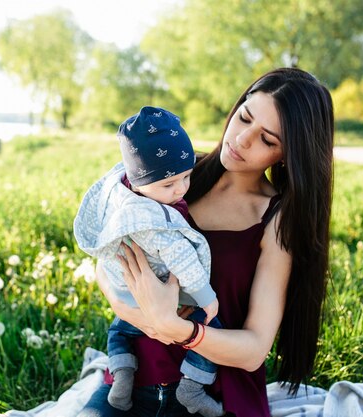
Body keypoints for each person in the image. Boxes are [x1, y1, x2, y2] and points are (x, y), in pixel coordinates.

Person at [78, 67, 334, 417]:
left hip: (213, 397)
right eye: (244, 118)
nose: (242, 139)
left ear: (289, 154)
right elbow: (107, 256)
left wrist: (177, 329)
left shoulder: (277, 220)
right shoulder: (174, 175)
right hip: (132, 380)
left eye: (267, 140)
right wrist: (146, 316)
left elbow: (254, 348)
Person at [73, 106, 224, 416]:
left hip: (130, 294)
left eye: (186, 176)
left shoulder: (121, 195)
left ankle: (122, 374)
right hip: (171, 295)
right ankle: (193, 387)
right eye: (169, 185)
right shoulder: (151, 220)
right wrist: (206, 298)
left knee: (118, 331)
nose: (181, 189)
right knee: (211, 326)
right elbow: (182, 259)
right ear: (138, 182)